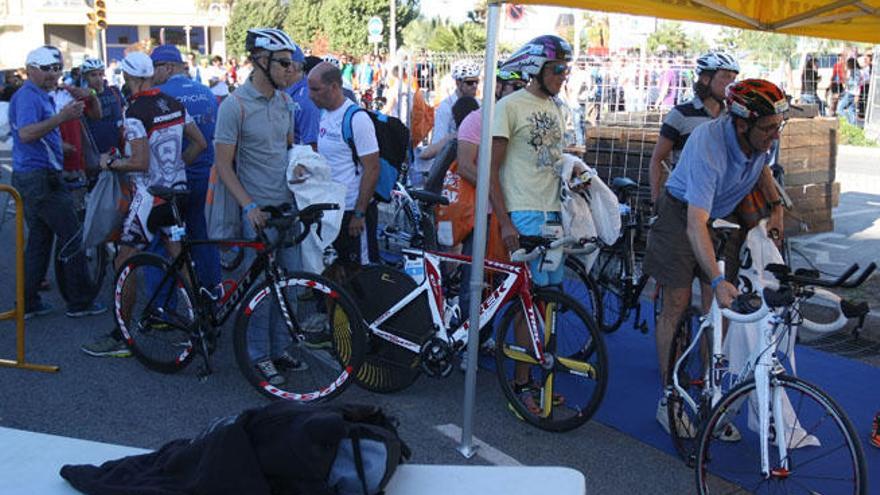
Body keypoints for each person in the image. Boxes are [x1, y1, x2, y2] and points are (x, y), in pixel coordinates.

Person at [643, 79, 788, 434]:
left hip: (721, 214)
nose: (775, 135)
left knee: (718, 309)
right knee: (676, 302)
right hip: (683, 213)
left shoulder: (760, 136)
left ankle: (714, 393)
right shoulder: (708, 144)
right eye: (768, 128)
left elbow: (763, 167)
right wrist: (719, 279)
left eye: (778, 126)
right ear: (741, 122)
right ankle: (669, 399)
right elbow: (695, 224)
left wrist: (777, 205)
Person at [81, 51, 207, 357]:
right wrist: (176, 168)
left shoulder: (135, 111)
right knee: (180, 259)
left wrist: (110, 163)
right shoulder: (174, 104)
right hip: (176, 192)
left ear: (127, 77)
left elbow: (139, 161)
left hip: (149, 197)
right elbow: (201, 144)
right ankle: (203, 323)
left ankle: (120, 336)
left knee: (124, 262)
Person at [213, 28, 305, 384]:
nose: (290, 71)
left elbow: (288, 150)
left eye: (292, 64)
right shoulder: (234, 106)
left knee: (293, 284)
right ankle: (257, 356)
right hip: (256, 210)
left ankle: (281, 348)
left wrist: (302, 171)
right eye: (284, 64)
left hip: (287, 208)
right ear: (260, 61)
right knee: (259, 293)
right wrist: (248, 205)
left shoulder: (286, 103)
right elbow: (223, 164)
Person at [491, 35, 573, 415]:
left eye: (566, 69)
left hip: (552, 212)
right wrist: (506, 223)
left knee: (547, 305)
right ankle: (521, 384)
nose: (563, 76)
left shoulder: (557, 107)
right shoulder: (509, 106)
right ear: (536, 68)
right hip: (523, 212)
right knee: (529, 305)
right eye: (557, 69)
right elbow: (491, 169)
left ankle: (537, 375)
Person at [9, 45, 107, 319]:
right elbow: (27, 133)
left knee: (41, 240)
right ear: (31, 70)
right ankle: (79, 301)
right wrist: (61, 119)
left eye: (57, 69)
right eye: (47, 69)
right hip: (40, 177)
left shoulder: (39, 94)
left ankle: (28, 302)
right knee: (72, 235)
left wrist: (57, 141)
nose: (53, 75)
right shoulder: (29, 96)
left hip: (37, 174)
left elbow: (29, 134)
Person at [150, 44, 221, 292]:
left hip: (172, 181)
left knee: (164, 240)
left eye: (154, 68)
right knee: (203, 237)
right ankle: (212, 290)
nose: (151, 75)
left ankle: (162, 304)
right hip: (205, 177)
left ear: (168, 67)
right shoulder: (207, 92)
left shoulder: (157, 95)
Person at [309, 61, 380, 275]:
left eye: (315, 89)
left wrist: (359, 213)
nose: (310, 95)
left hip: (353, 211)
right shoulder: (324, 114)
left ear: (334, 87)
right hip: (331, 210)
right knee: (333, 271)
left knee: (360, 275)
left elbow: (372, 169)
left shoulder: (357, 119)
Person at [649, 51, 740, 204]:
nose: (731, 82)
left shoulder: (731, 117)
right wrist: (656, 200)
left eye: (733, 77)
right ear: (705, 79)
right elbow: (657, 159)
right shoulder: (680, 114)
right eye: (725, 76)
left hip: (720, 199)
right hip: (684, 199)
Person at [431, 59, 480, 147]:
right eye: (470, 82)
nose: (474, 86)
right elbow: (438, 140)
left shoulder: (480, 104)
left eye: (477, 82)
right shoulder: (446, 107)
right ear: (458, 83)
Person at [81, 57, 125, 154]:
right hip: (96, 149)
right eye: (93, 75)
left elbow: (123, 111)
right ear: (85, 77)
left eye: (100, 74)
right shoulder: (82, 97)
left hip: (119, 144)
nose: (98, 79)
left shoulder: (114, 91)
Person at [286, 55, 322, 150]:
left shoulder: (306, 98)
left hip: (297, 159)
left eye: (283, 63)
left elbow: (311, 145)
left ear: (291, 68)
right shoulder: (283, 91)